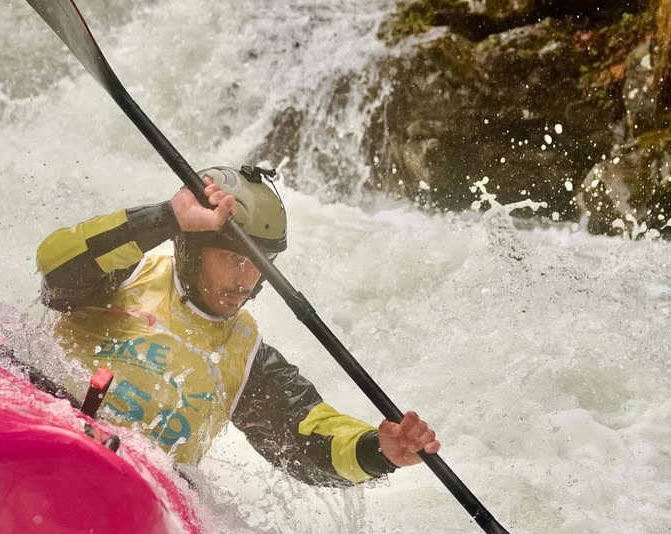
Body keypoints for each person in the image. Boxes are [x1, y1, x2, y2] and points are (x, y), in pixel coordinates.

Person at [35, 165, 439, 485]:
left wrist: (378, 451)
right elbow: (56, 269)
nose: (246, 279)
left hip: (141, 486)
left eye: (259, 264)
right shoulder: (126, 273)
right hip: (49, 425)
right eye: (232, 257)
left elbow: (308, 440)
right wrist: (166, 218)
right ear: (192, 247)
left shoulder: (247, 358)